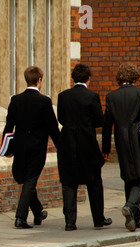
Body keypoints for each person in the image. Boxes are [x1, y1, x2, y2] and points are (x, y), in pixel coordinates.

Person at [102, 63, 140, 232]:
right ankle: (130, 205)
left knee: (129, 177)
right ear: (135, 77)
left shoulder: (111, 96)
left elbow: (107, 125)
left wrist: (105, 149)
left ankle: (134, 218)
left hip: (121, 141)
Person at [3, 66, 60, 229]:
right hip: (37, 148)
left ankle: (38, 212)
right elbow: (53, 128)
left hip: (20, 147)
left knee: (27, 180)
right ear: (39, 80)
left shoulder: (15, 99)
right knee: (30, 180)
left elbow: (9, 127)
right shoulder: (44, 101)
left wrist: (8, 148)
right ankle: (20, 217)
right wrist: (61, 147)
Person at [57, 64, 112, 231]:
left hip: (67, 144)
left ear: (73, 78)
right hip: (87, 143)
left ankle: (69, 222)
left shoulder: (63, 96)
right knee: (94, 181)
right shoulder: (91, 96)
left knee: (69, 183)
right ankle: (98, 219)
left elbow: (61, 119)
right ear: (89, 78)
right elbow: (99, 122)